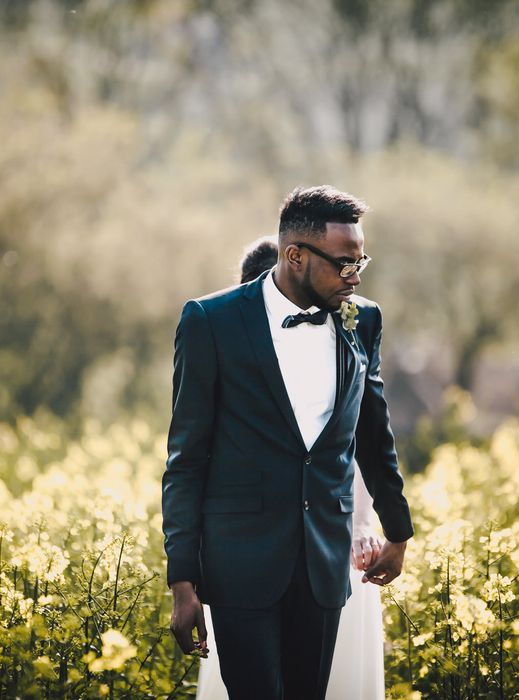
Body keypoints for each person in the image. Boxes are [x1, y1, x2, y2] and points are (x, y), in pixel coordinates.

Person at [162, 185, 413, 700]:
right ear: (294, 255)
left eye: (360, 261)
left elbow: (373, 433)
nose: (356, 276)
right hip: (239, 566)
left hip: (322, 564)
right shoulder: (211, 321)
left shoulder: (363, 320)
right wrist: (182, 582)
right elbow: (185, 460)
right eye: (344, 264)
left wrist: (398, 530)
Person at [196, 236, 387, 699]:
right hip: (245, 562)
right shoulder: (219, 337)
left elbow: (357, 445)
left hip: (331, 544)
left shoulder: (353, 332)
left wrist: (365, 524)